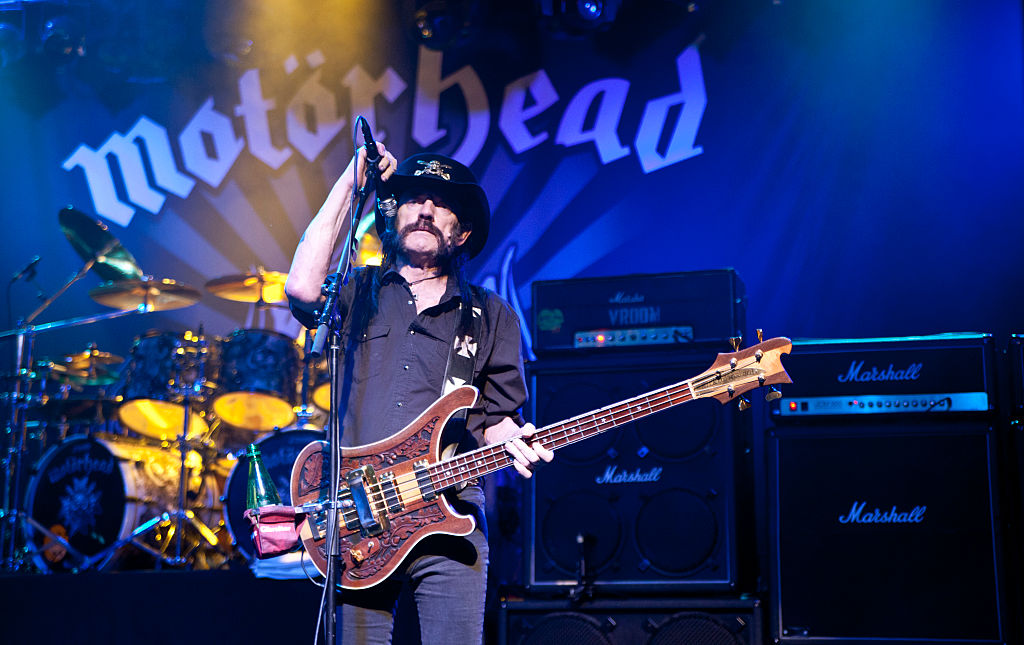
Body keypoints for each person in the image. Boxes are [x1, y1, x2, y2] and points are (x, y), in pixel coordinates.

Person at [284, 142, 553, 645]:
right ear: (392, 216)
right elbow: (300, 288)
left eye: (442, 203)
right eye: (414, 199)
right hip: (358, 510)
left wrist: (513, 438)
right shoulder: (356, 291)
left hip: (449, 512)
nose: (426, 209)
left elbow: (494, 418)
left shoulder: (491, 315)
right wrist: (352, 180)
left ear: (462, 232)